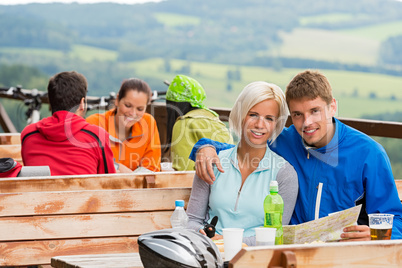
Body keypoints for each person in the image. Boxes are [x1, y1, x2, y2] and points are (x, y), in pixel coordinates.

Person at [190, 70, 402, 240]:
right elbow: (240, 149)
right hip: (292, 255)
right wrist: (204, 147)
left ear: (333, 106)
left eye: (315, 111)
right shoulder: (283, 140)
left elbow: (395, 217)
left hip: (343, 256)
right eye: (298, 115)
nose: (307, 123)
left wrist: (377, 234)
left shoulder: (369, 154)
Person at [186, 81, 298, 246]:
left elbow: (276, 235)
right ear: (240, 114)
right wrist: (200, 233)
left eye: (269, 118)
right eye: (253, 114)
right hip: (209, 255)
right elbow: (193, 220)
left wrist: (227, 242)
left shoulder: (285, 174)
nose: (260, 125)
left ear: (276, 125)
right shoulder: (213, 162)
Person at [21, 71, 116, 176]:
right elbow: (109, 182)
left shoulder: (29, 134)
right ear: (82, 103)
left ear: (51, 103)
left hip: (40, 192)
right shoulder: (97, 136)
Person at [86, 78, 161, 172]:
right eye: (128, 106)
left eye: (140, 109)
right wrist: (119, 167)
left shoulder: (149, 122)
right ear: (117, 100)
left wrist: (130, 177)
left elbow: (151, 168)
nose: (133, 113)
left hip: (135, 186)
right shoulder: (94, 123)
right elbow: (88, 162)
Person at [165, 74, 233, 171]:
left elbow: (184, 170)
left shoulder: (183, 123)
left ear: (173, 105)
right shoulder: (215, 119)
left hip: (202, 184)